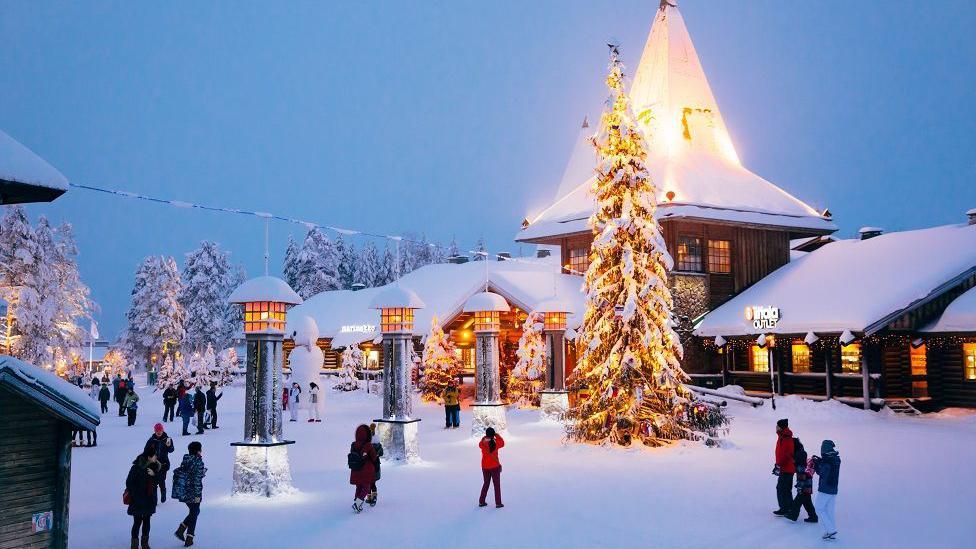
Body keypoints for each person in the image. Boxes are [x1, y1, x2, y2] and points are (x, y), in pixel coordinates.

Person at [125, 445, 160, 549]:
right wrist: (137, 495)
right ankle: (134, 544)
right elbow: (129, 483)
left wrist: (154, 475)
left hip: (149, 499)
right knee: (137, 522)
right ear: (149, 457)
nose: (156, 458)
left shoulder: (155, 467)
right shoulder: (136, 467)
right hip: (137, 500)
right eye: (154, 456)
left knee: (147, 522)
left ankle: (145, 544)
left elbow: (159, 481)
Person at [173, 441, 207, 547]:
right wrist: (197, 495)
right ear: (198, 451)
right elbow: (196, 480)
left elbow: (189, 474)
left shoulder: (186, 459)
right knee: (194, 513)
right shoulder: (199, 462)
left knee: (194, 512)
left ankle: (182, 530)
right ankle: (189, 537)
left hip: (184, 492)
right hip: (193, 493)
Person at [812, 440, 841, 541]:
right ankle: (831, 532)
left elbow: (821, 472)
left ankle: (831, 530)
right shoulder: (834, 459)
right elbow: (826, 467)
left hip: (825, 488)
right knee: (829, 511)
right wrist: (820, 461)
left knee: (819, 508)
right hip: (833, 489)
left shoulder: (828, 460)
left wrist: (816, 465)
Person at [348, 424, 378, 513]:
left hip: (356, 470)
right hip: (366, 471)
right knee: (365, 488)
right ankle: (357, 505)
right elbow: (374, 457)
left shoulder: (353, 445)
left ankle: (357, 503)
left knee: (359, 487)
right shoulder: (368, 445)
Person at [786, 437, 818, 523]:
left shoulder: (799, 455)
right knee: (806, 500)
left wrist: (800, 486)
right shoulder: (801, 452)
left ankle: (792, 515)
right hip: (807, 481)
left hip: (804, 482)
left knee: (799, 499)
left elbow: (801, 472)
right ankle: (813, 517)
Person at [145, 423, 176, 503]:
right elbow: (145, 451)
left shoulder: (167, 439)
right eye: (157, 431)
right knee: (154, 482)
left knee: (162, 480)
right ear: (155, 431)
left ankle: (163, 493)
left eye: (160, 430)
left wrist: (169, 446)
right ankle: (154, 499)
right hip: (153, 464)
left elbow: (171, 450)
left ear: (163, 430)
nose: (159, 432)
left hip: (163, 464)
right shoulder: (151, 440)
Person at [772, 418, 795, 516]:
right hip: (785, 468)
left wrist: (779, 465)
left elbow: (786, 454)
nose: (776, 427)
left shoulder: (786, 438)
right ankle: (789, 508)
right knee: (785, 489)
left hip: (787, 468)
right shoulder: (782, 436)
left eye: (777, 426)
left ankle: (786, 508)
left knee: (782, 488)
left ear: (781, 427)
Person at [478, 427, 505, 508]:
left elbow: (480, 443)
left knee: (486, 483)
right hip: (494, 466)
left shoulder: (482, 443)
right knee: (496, 485)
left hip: (485, 466)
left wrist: (484, 437)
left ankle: (481, 501)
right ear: (493, 435)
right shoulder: (496, 443)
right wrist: (496, 434)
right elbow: (502, 443)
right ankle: (498, 503)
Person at [366, 423, 384, 506]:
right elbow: (381, 453)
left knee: (368, 482)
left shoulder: (367, 445)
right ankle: (373, 497)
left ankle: (369, 497)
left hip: (367, 466)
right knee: (373, 483)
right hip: (376, 465)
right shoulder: (378, 444)